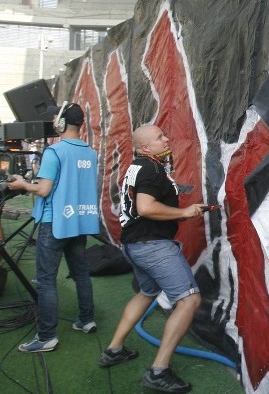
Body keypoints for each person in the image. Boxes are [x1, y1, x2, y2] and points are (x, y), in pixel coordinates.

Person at [100, 125, 207, 394]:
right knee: (189, 299)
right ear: (146, 147)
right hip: (152, 246)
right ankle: (159, 372)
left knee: (147, 292)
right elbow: (146, 207)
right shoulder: (151, 168)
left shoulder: (138, 166)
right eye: (160, 137)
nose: (167, 138)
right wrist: (183, 213)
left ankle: (114, 350)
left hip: (134, 244)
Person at [10, 102, 100, 353]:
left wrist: (22, 184)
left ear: (60, 123)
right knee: (81, 273)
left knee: (46, 280)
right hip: (79, 224)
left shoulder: (54, 152)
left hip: (55, 223)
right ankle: (86, 320)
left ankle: (46, 336)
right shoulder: (90, 153)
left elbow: (43, 189)